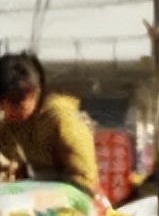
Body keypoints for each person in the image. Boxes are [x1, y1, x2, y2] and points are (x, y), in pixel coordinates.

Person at [0, 51, 100, 198]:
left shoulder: (61, 118)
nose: (8, 111)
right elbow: (9, 170)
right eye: (2, 104)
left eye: (15, 103)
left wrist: (44, 198)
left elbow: (85, 179)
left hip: (73, 202)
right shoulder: (10, 124)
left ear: (32, 92)